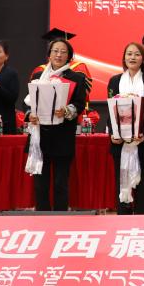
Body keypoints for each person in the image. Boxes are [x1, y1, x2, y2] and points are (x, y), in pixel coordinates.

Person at [26, 37, 90, 211]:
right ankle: (42, 218)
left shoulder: (76, 77)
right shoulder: (38, 76)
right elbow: (29, 102)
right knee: (40, 184)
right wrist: (30, 115)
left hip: (63, 136)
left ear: (69, 56)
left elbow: (79, 104)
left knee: (61, 183)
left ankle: (61, 219)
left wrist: (67, 111)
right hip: (40, 136)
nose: (59, 55)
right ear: (49, 54)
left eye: (63, 52)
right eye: (55, 51)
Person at [107, 42, 144, 214]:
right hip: (120, 143)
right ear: (124, 58)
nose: (132, 57)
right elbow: (110, 111)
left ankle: (141, 222)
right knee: (121, 185)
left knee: (142, 188)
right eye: (129, 54)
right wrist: (113, 134)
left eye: (137, 54)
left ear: (143, 59)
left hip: (142, 142)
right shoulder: (114, 81)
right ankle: (123, 221)